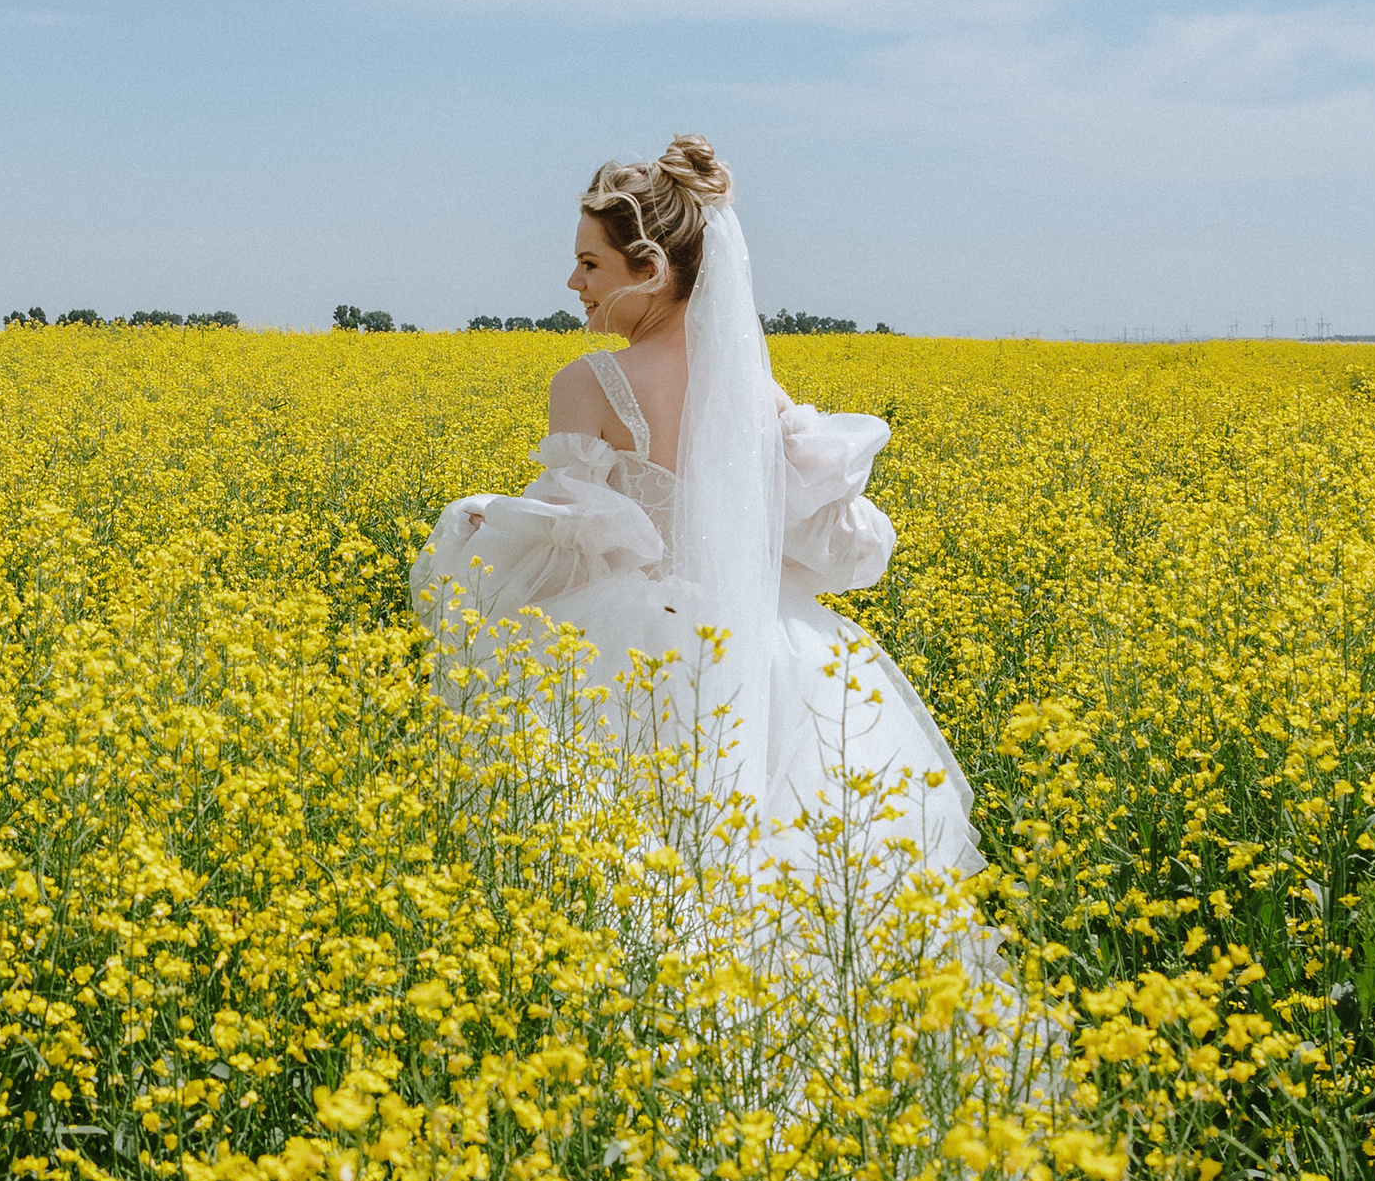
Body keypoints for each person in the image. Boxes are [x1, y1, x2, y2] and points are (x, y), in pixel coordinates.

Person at [412, 137, 981, 886]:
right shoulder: (760, 393)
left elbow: (570, 550)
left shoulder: (590, 382)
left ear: (648, 269)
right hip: (769, 646)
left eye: (591, 264)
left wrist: (483, 522)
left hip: (636, 652)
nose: (572, 280)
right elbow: (836, 545)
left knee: (630, 864)